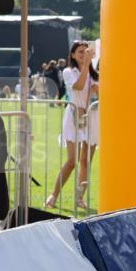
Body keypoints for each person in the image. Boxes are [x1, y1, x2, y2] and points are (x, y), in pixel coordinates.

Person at [45, 41, 100, 210]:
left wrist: (98, 86)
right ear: (73, 55)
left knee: (86, 161)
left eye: (86, 51)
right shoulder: (68, 72)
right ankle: (53, 195)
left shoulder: (95, 73)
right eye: (80, 52)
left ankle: (80, 198)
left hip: (91, 116)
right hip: (74, 116)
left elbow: (100, 93)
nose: (84, 54)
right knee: (72, 161)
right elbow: (78, 86)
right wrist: (87, 66)